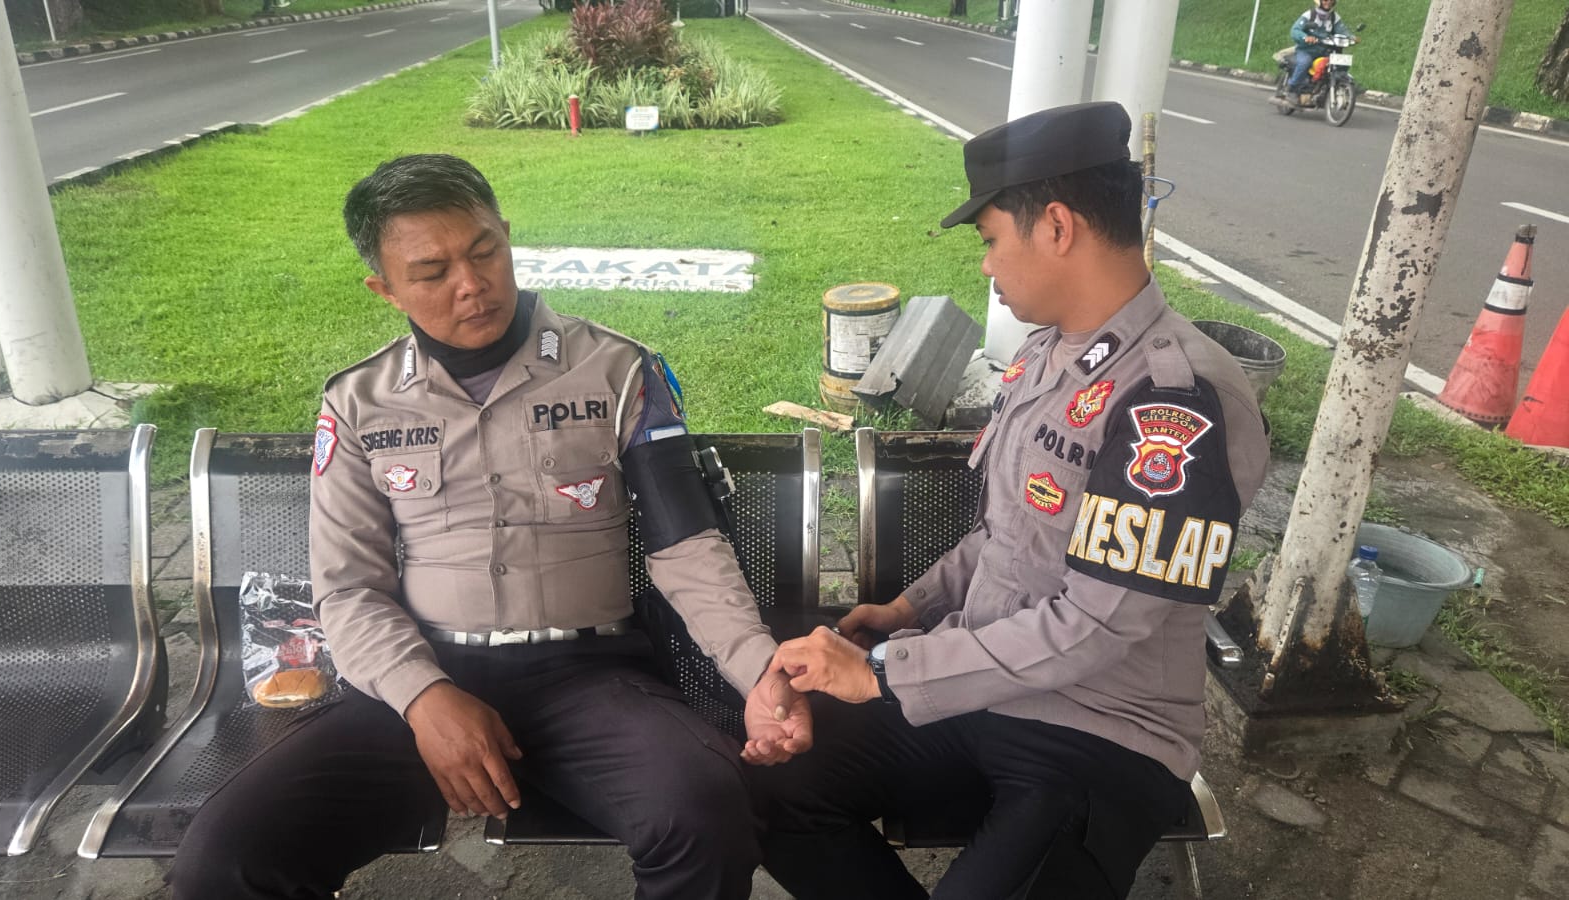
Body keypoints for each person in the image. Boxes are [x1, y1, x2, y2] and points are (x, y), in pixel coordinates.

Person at [170, 153, 810, 900]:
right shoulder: (358, 402)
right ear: (385, 288)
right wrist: (423, 698)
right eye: (431, 272)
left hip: (589, 678)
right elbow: (348, 588)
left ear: (507, 235)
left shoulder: (618, 371)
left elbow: (686, 547)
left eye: (485, 252)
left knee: (706, 813)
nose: (471, 285)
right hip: (422, 677)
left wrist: (758, 670)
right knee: (227, 856)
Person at [744, 102, 1271, 899]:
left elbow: (1096, 628)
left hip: (1102, 730)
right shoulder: (1045, 355)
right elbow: (1009, 533)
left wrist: (882, 671)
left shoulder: (1176, 400)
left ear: (1057, 226)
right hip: (983, 685)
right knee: (767, 786)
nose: (987, 265)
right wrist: (909, 609)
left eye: (991, 239)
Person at [1286, 0, 1355, 106]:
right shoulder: (1309, 15)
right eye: (1325, 0)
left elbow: (1342, 30)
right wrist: (1305, 37)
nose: (1328, 2)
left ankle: (1339, 85)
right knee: (1305, 62)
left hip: (1325, 51)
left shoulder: (1334, 17)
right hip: (1306, 50)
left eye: (1331, 0)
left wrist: (1351, 37)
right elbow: (1295, 30)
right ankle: (1292, 89)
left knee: (1340, 63)